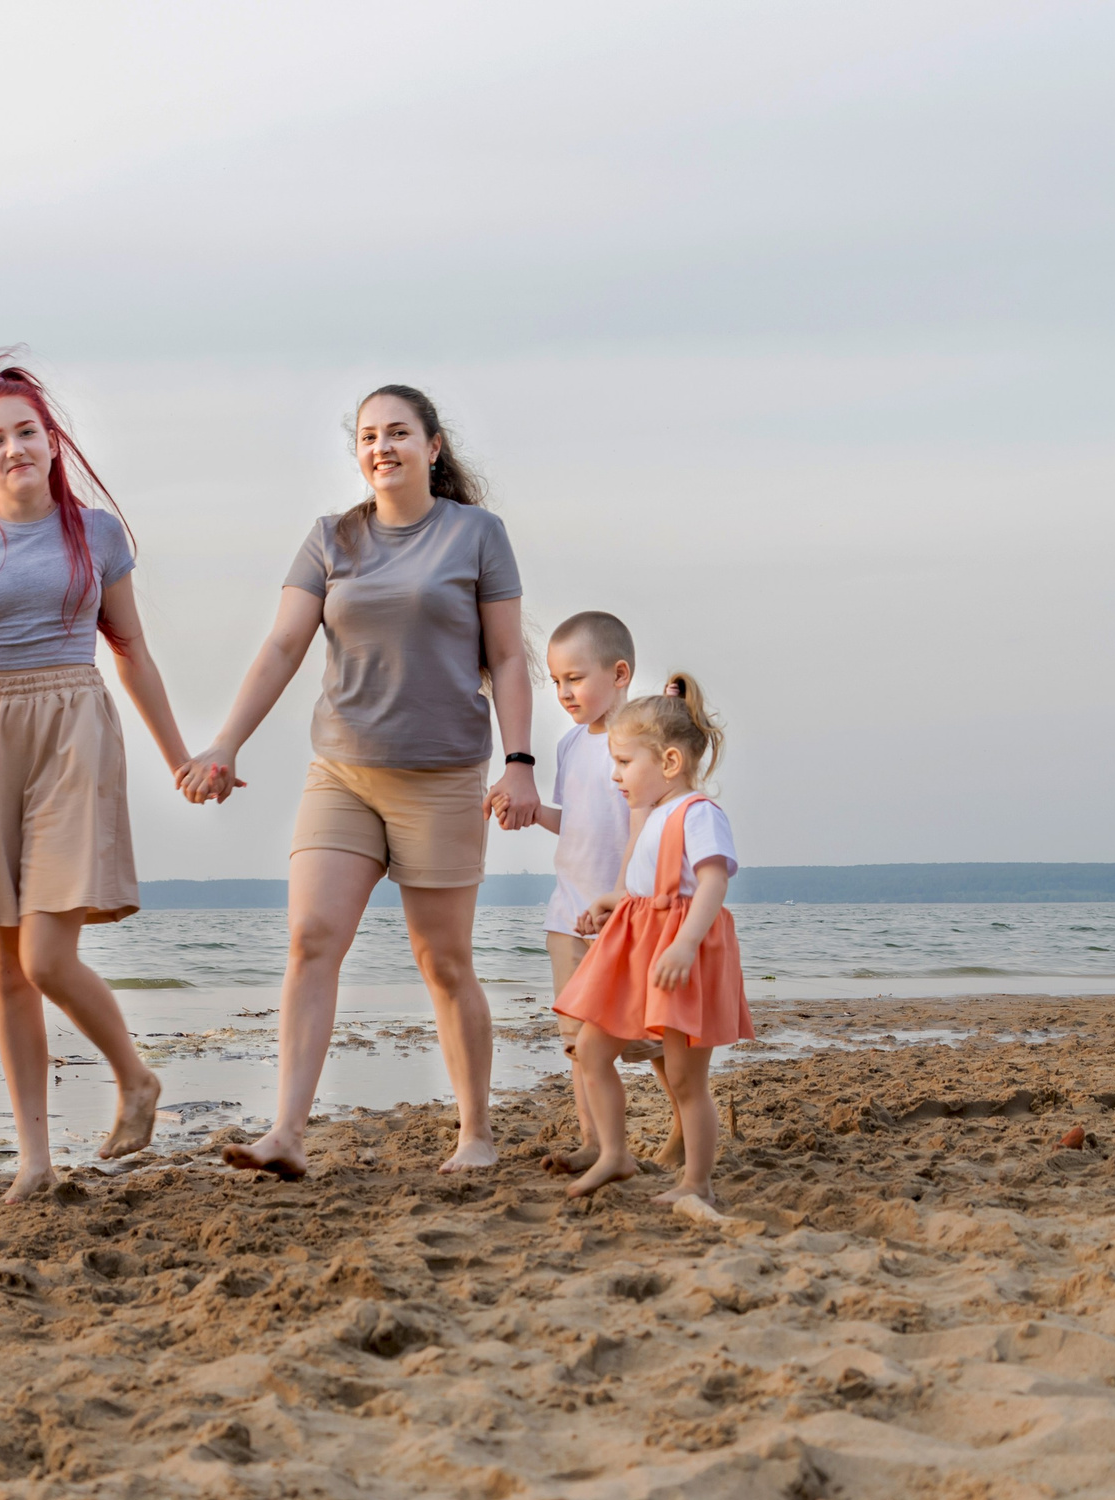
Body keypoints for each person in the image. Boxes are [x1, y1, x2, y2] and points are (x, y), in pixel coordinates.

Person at [181, 384, 540, 1178]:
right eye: (369, 436)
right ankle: (287, 1135)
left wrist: (519, 762)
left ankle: (475, 1131)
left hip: (443, 777)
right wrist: (226, 744)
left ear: (434, 446)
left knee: (442, 961)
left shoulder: (477, 534)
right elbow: (281, 645)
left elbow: (510, 657)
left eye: (399, 433)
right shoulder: (328, 538)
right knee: (311, 940)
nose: (383, 447)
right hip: (342, 771)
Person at [0, 358, 193, 1202]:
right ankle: (35, 1160)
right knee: (6, 967)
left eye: (26, 432)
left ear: (52, 443)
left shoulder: (97, 535)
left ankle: (135, 1077)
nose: (13, 448)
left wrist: (179, 758)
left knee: (47, 955)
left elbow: (135, 656)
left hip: (71, 728)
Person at [553, 675, 757, 1212]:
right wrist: (613, 904)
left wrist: (685, 945)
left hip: (680, 955)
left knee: (688, 1081)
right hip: (639, 945)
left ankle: (698, 1182)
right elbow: (650, 887)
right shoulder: (656, 815)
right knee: (593, 1050)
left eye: (624, 763)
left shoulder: (698, 813)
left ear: (668, 762)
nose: (615, 776)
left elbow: (711, 883)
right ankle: (615, 1153)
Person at [530, 611, 682, 1178]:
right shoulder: (570, 745)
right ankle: (594, 1141)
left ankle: (685, 1128)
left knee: (657, 1037)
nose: (565, 693)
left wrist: (623, 895)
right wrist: (530, 812)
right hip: (569, 915)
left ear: (620, 674)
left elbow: (645, 825)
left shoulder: (640, 745)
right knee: (578, 1041)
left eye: (576, 678)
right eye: (556, 682)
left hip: (627, 916)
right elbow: (575, 822)